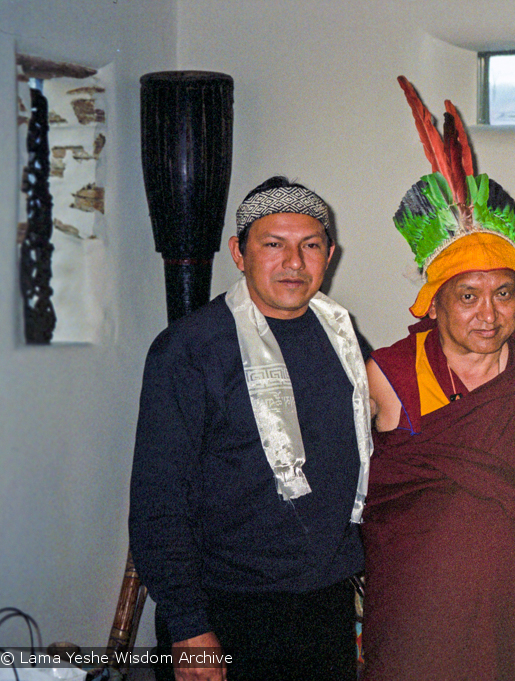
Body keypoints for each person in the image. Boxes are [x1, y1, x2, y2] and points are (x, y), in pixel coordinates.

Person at [358, 77, 515, 681]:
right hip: (421, 621)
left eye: (504, 293)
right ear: (433, 303)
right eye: (467, 296)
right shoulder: (387, 374)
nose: (488, 314)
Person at [129, 177, 372, 681]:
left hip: (323, 606)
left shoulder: (345, 340)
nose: (293, 262)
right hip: (224, 609)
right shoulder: (190, 350)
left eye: (310, 246)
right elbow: (159, 499)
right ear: (239, 253)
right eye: (273, 244)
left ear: (330, 255)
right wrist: (189, 626)